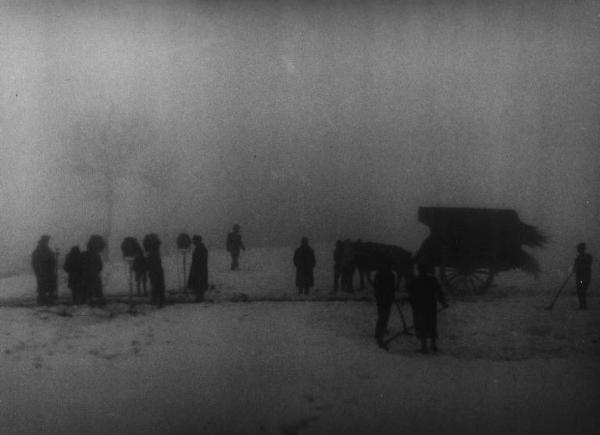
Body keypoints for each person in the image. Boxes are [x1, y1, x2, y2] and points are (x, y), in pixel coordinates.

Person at [408, 263, 448, 353]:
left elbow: (411, 295)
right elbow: (439, 292)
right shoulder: (432, 280)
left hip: (420, 307)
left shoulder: (415, 281)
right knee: (432, 325)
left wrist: (413, 306)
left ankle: (424, 346)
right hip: (430, 306)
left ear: (418, 270)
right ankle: (433, 345)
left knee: (422, 326)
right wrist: (443, 302)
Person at [372, 260, 396, 349]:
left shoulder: (380, 275)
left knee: (383, 315)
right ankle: (379, 333)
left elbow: (377, 287)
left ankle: (380, 331)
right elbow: (391, 287)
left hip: (383, 298)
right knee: (383, 315)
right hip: (384, 298)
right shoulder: (389, 275)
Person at [31, 235, 58, 306]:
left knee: (48, 287)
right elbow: (36, 262)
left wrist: (54, 256)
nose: (48, 242)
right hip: (43, 272)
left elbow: (51, 258)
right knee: (43, 288)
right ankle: (43, 302)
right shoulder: (40, 250)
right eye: (47, 240)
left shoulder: (45, 249)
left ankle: (47, 301)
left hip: (47, 272)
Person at [80, 235, 106, 306]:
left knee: (87, 291)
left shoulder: (84, 255)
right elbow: (100, 266)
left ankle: (87, 302)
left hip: (86, 276)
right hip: (94, 275)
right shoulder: (96, 255)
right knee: (97, 291)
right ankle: (98, 303)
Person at [144, 233, 165, 308]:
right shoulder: (156, 250)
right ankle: (159, 300)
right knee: (159, 284)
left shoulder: (151, 252)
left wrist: (146, 267)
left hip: (153, 269)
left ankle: (156, 300)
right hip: (158, 269)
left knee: (155, 284)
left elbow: (148, 261)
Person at [188, 235, 209, 302]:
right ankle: (199, 296)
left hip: (199, 269)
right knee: (199, 282)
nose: (193, 242)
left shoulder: (200, 248)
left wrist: (196, 267)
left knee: (199, 282)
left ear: (197, 241)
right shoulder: (200, 247)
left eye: (194, 240)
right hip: (199, 268)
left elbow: (200, 259)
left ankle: (200, 297)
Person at [574, 242, 592, 310]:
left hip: (583, 278)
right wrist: (575, 268)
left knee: (581, 291)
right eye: (578, 248)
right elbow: (575, 267)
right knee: (580, 291)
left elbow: (586, 266)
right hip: (579, 278)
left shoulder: (588, 256)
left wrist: (578, 267)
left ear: (582, 249)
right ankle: (582, 305)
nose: (578, 250)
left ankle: (583, 306)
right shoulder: (578, 258)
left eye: (579, 248)